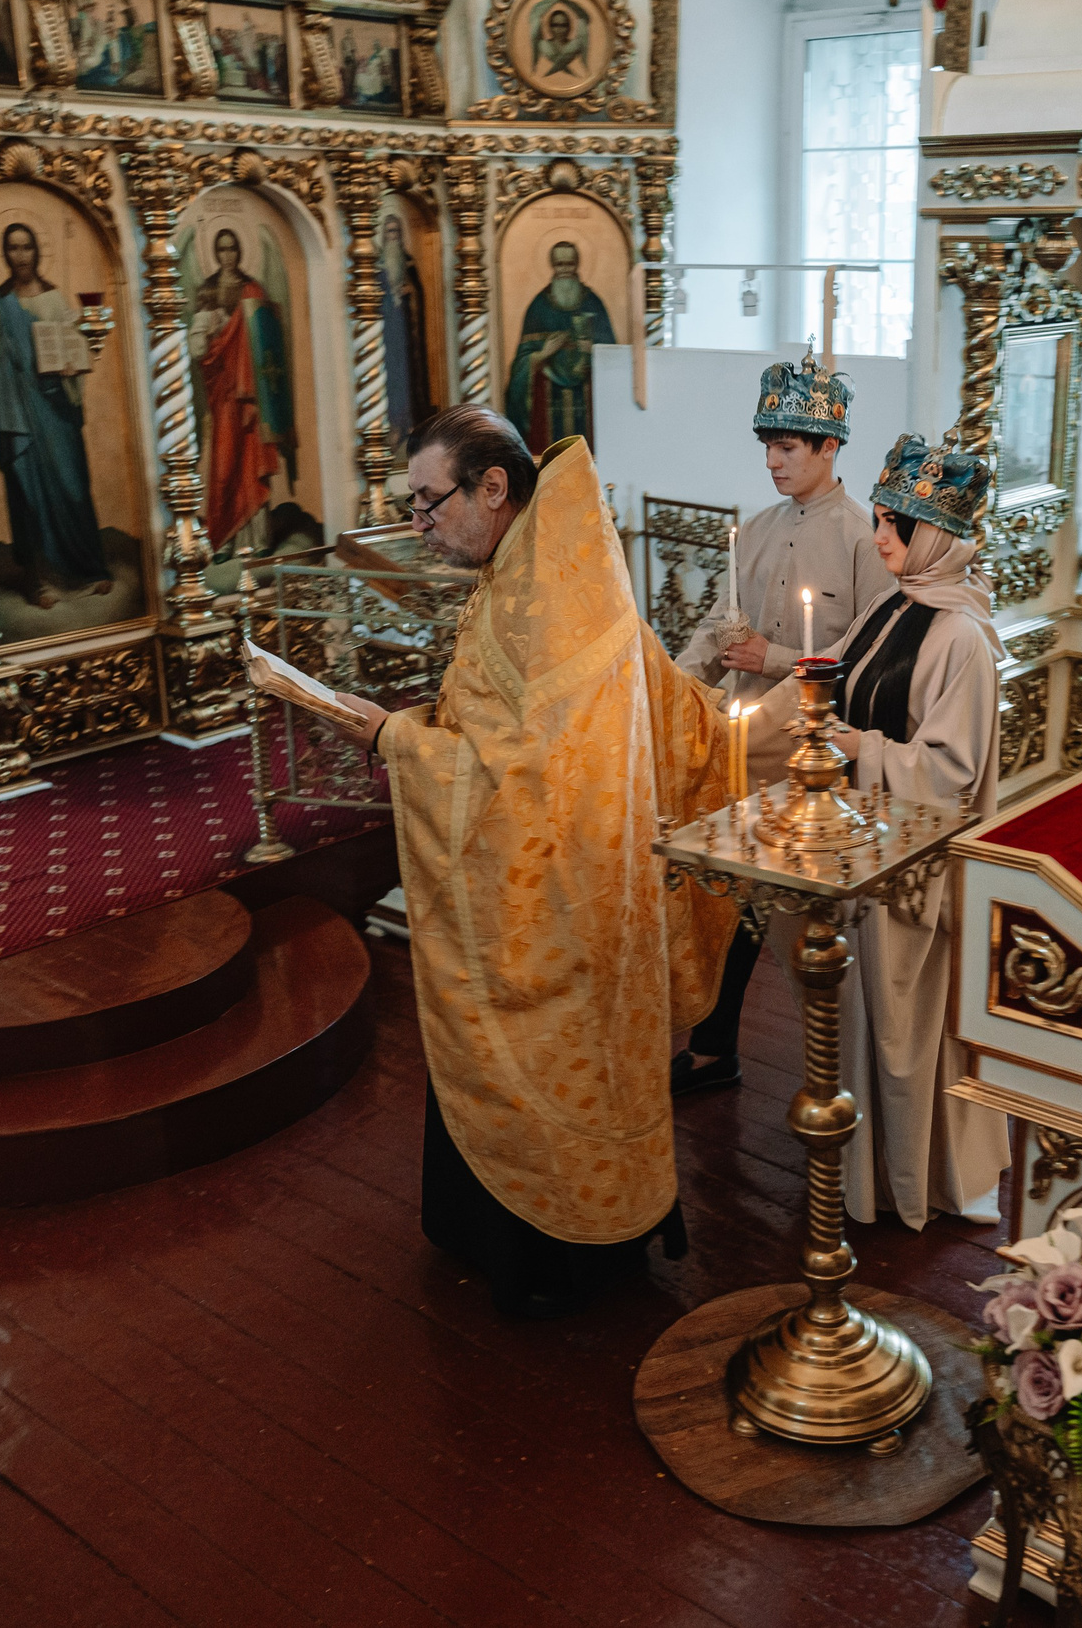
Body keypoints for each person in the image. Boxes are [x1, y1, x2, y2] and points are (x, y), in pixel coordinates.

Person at [263, 405, 736, 1319]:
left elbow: (522, 777)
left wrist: (391, 736)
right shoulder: (532, 567)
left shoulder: (552, 593)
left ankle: (557, 1255)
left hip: (566, 906)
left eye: (428, 503)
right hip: (570, 887)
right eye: (411, 506)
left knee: (549, 1054)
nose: (419, 526)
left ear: (493, 486)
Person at [754, 431, 1006, 1230]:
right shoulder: (892, 605)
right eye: (884, 518)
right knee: (852, 1016)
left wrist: (863, 749)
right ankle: (854, 1164)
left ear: (936, 535)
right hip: (855, 847)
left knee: (902, 1033)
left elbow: (951, 775)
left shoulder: (962, 638)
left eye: (897, 524)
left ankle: (915, 1177)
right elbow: (824, 676)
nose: (880, 535)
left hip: (910, 867)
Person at [666, 348, 896, 1097]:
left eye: (788, 446)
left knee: (784, 919)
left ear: (831, 447)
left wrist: (773, 658)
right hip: (737, 748)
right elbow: (718, 627)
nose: (772, 460)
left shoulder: (867, 540)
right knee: (728, 900)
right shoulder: (758, 529)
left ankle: (834, 1073)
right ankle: (713, 1042)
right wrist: (670, 685)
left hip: (808, 760)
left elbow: (862, 658)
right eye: (767, 445)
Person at [0, 222, 110, 608]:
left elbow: (77, 348)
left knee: (72, 488)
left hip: (57, 409)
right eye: (13, 248)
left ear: (37, 251)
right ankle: (39, 578)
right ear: (6, 254)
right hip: (20, 414)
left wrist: (72, 363)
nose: (21, 255)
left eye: (27, 247)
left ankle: (86, 568)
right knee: (29, 496)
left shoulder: (53, 299)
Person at [187, 224, 297, 551]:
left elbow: (268, 340)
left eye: (231, 248)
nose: (227, 255)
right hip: (224, 394)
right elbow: (197, 350)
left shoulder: (253, 290)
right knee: (224, 464)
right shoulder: (206, 292)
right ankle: (224, 539)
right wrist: (210, 335)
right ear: (214, 253)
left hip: (253, 396)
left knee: (250, 459)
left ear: (239, 251)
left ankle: (257, 538)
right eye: (220, 249)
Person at [503, 241, 613, 454]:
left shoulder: (593, 303)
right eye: (559, 264)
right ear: (552, 266)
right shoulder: (539, 307)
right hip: (547, 392)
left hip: (588, 392)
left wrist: (592, 350)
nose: (564, 270)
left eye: (569, 264)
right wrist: (542, 355)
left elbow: (615, 357)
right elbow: (521, 363)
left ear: (577, 265)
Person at [379, 213, 435, 447]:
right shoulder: (377, 266)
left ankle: (411, 424)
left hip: (407, 335)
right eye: (389, 232)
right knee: (391, 380)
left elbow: (419, 295)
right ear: (384, 236)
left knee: (410, 377)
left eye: (397, 232)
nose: (393, 236)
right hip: (386, 335)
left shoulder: (408, 261)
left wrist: (409, 295)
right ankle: (395, 425)